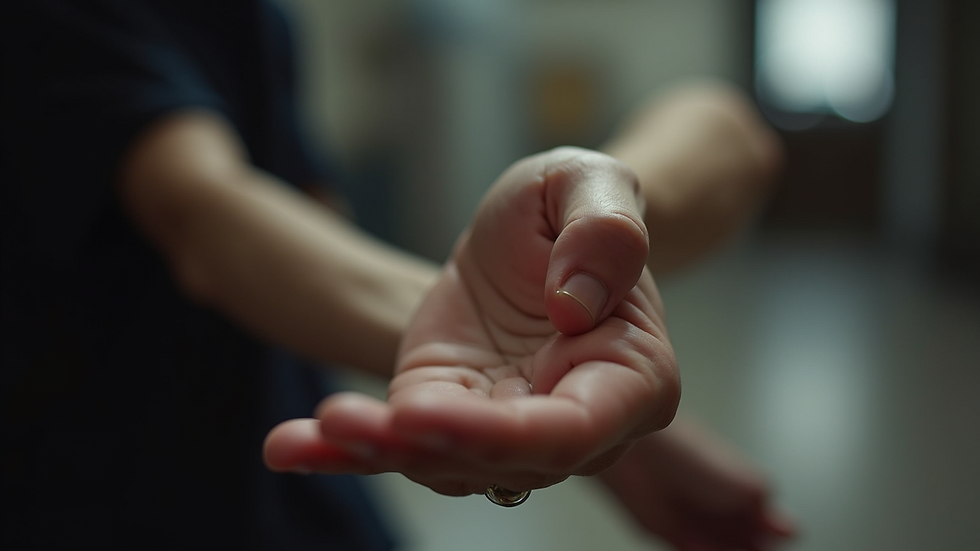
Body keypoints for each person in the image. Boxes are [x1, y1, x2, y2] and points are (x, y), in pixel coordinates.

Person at [0, 1, 792, 550]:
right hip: (118, 508)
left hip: (305, 513)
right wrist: (539, 337)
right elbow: (207, 220)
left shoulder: (256, 19)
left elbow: (308, 223)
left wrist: (587, 235)